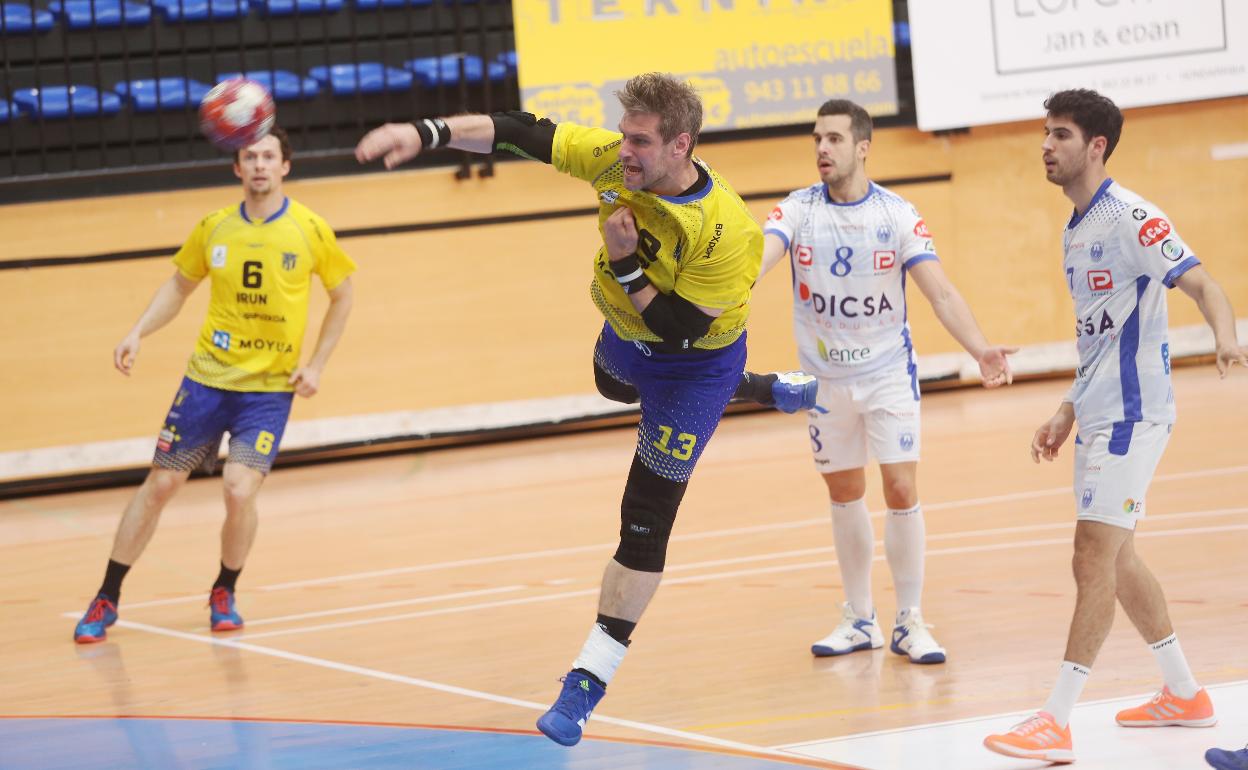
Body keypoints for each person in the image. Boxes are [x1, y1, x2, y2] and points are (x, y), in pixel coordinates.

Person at [355, 72, 815, 747]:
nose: (624, 151)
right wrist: (424, 133)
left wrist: (625, 263)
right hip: (624, 344)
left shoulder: (726, 231)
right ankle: (758, 387)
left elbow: (679, 331)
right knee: (610, 387)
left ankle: (585, 684)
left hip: (692, 366)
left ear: (682, 144)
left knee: (644, 520)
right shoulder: (614, 160)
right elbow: (517, 131)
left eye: (641, 141)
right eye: (624, 136)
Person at [983, 89, 1246, 763]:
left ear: (1096, 146)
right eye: (1046, 132)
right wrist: (1067, 408)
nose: (1046, 145)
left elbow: (1204, 283)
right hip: (1100, 412)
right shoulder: (1074, 229)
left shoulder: (1133, 216)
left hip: (1134, 413)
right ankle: (1184, 694)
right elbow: (1099, 340)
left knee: (1091, 555)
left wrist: (1225, 337)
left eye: (1061, 134)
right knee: (1120, 558)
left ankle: (1055, 719)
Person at [72, 127, 357, 643]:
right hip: (207, 380)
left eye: (269, 156)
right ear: (237, 167)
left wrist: (316, 364)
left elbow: (343, 295)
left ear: (285, 166)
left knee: (238, 489)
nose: (259, 165)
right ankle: (106, 596)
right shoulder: (214, 227)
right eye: (250, 156)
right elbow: (179, 286)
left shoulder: (310, 229)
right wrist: (138, 331)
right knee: (161, 485)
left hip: (268, 390)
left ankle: (224, 590)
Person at [758, 99, 1016, 665]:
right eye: (816, 139)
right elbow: (758, 259)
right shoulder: (797, 210)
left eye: (833, 139)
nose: (822, 148)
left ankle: (910, 620)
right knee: (844, 492)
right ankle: (859, 619)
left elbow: (940, 291)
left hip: (887, 375)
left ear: (863, 147)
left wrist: (980, 349)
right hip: (825, 381)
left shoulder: (897, 214)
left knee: (900, 488)